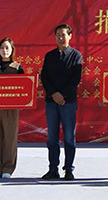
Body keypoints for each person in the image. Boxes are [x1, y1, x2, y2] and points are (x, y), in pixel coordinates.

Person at [40, 24, 82, 180]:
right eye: (57, 35)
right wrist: (53, 94)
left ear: (70, 36)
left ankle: (69, 169)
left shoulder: (76, 55)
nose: (60, 37)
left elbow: (75, 79)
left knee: (69, 137)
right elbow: (44, 77)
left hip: (68, 101)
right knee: (52, 137)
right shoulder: (50, 56)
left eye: (63, 34)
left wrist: (62, 95)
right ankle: (53, 169)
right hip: (51, 101)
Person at [0, 37, 25, 178]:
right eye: (2, 48)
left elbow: (23, 89)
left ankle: (8, 168)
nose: (5, 51)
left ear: (12, 50)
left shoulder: (17, 68)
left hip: (11, 109)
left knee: (9, 139)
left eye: (7, 48)